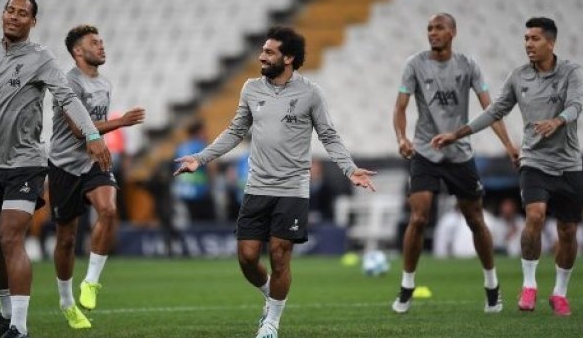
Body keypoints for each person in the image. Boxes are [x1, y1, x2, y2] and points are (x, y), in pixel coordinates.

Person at [173, 26, 376, 338]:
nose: (261, 57)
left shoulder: (310, 93)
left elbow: (329, 136)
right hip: (256, 186)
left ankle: (272, 323)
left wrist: (349, 169)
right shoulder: (251, 89)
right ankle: (271, 293)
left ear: (289, 58)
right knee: (247, 257)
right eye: (262, 51)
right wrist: (200, 158)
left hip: (292, 188)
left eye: (269, 52)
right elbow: (235, 131)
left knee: (280, 254)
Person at [0, 0, 110, 338]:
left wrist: (93, 134)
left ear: (33, 22)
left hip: (27, 162)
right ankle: (5, 317)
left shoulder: (41, 58)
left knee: (10, 236)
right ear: (2, 13)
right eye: (10, 10)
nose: (15, 17)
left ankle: (20, 328)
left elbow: (67, 97)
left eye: (23, 13)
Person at [432, 17, 583, 316]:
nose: (528, 44)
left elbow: (576, 105)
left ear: (550, 43)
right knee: (536, 216)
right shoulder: (518, 77)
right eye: (526, 38)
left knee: (567, 231)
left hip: (568, 163)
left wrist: (558, 120)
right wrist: (456, 133)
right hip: (534, 160)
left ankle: (560, 293)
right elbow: (494, 111)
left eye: (535, 39)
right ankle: (529, 286)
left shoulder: (571, 72)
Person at [391, 13, 518, 314]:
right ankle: (407, 285)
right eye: (429, 28)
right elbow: (400, 106)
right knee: (419, 217)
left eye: (439, 28)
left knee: (475, 219)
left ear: (453, 32)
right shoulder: (415, 65)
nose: (433, 33)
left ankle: (492, 286)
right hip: (425, 151)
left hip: (460, 153)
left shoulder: (468, 66)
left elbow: (491, 109)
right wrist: (401, 138)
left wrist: (510, 145)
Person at [49, 24, 145, 329]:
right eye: (94, 42)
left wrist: (111, 128)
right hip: (64, 164)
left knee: (109, 209)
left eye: (102, 41)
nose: (102, 46)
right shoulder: (69, 83)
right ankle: (66, 302)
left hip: (93, 161)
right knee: (66, 239)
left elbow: (94, 129)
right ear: (78, 51)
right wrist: (121, 122)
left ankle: (90, 282)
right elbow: (80, 129)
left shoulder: (104, 83)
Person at [172, 119, 217, 222]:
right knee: (207, 226)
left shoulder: (181, 147)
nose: (207, 134)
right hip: (200, 194)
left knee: (190, 226)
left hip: (182, 192)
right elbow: (212, 168)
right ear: (199, 132)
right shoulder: (202, 146)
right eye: (205, 131)